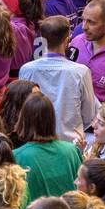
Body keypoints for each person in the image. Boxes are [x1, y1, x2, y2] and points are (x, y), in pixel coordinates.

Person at [18, 16, 97, 144]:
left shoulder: (26, 70)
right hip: (70, 143)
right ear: (67, 40)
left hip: (35, 142)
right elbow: (89, 115)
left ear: (42, 40)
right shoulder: (81, 72)